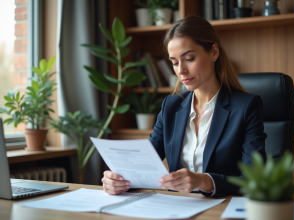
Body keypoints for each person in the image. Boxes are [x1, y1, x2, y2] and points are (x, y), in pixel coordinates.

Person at [102, 15, 267, 197]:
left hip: (221, 208)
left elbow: (255, 180)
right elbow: (144, 164)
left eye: (189, 58)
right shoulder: (171, 106)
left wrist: (205, 181)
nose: (181, 70)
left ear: (214, 52)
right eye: (174, 62)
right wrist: (119, 180)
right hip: (177, 207)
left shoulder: (246, 106)